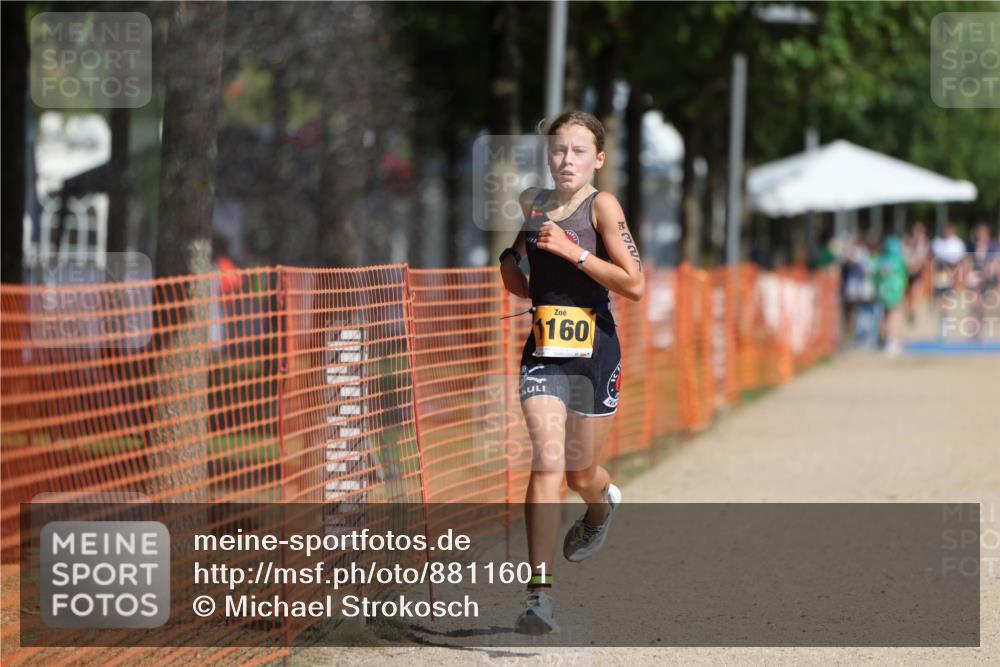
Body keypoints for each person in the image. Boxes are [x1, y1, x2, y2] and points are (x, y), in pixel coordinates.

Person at [498, 110, 643, 634]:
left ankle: (600, 508)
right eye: (559, 150)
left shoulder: (602, 205)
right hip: (543, 350)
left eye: (579, 151)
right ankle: (539, 598)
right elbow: (520, 281)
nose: (566, 160)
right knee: (546, 463)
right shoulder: (534, 204)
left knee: (581, 473)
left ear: (597, 160)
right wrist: (510, 262)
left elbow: (635, 283)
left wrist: (574, 251)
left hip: (594, 350)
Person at [874, 235, 909, 357]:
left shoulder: (881, 259)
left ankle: (884, 340)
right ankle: (892, 341)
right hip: (895, 292)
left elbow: (877, 276)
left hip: (883, 291)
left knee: (885, 315)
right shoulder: (898, 261)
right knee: (894, 315)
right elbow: (903, 276)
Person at [963, 223, 999, 341]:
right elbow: (968, 262)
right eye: (980, 234)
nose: (982, 236)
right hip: (975, 279)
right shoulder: (972, 247)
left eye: (984, 234)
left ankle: (977, 332)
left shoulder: (993, 247)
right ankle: (974, 331)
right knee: (975, 304)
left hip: (987, 279)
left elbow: (994, 265)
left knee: (982, 307)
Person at [930, 223, 966, 340]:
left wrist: (956, 279)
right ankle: (942, 329)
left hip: (949, 275)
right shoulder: (937, 242)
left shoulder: (958, 244)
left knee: (946, 304)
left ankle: (944, 331)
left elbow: (959, 263)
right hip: (939, 276)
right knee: (938, 304)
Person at [902, 222, 930, 325]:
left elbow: (923, 259)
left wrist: (915, 265)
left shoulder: (924, 243)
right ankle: (908, 311)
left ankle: (912, 312)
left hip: (917, 271)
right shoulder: (907, 241)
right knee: (906, 295)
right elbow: (904, 256)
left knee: (916, 291)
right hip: (907, 271)